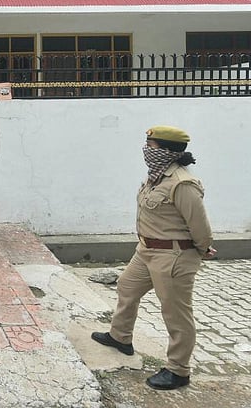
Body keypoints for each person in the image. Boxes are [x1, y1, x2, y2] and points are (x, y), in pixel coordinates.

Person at [91, 125, 215, 390]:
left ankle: (178, 370)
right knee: (126, 287)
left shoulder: (183, 183)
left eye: (152, 146)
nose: (147, 151)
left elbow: (200, 226)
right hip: (146, 251)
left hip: (173, 255)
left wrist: (203, 249)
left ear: (167, 150)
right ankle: (120, 337)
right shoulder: (156, 177)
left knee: (176, 313)